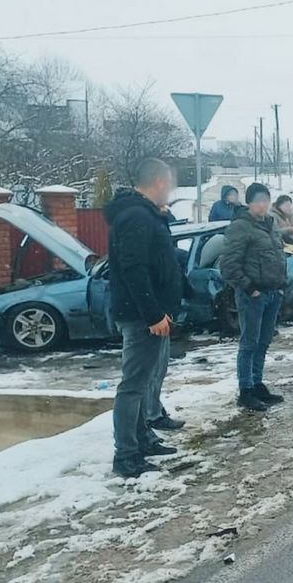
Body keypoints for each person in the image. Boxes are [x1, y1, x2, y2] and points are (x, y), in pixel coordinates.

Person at [105, 158, 184, 478]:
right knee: (133, 385)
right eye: (171, 184)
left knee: (142, 381)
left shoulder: (146, 214)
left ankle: (142, 438)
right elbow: (133, 268)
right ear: (161, 183)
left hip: (149, 313)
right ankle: (125, 455)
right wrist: (152, 314)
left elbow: (160, 260)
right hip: (141, 317)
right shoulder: (136, 216)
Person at [220, 183, 288, 412]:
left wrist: (280, 286)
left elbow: (279, 256)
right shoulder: (241, 226)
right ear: (249, 202)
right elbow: (228, 265)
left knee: (263, 341)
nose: (262, 204)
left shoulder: (270, 225)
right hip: (253, 295)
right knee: (249, 343)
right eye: (257, 200)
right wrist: (250, 289)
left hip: (272, 293)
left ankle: (257, 384)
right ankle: (245, 390)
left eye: (265, 200)